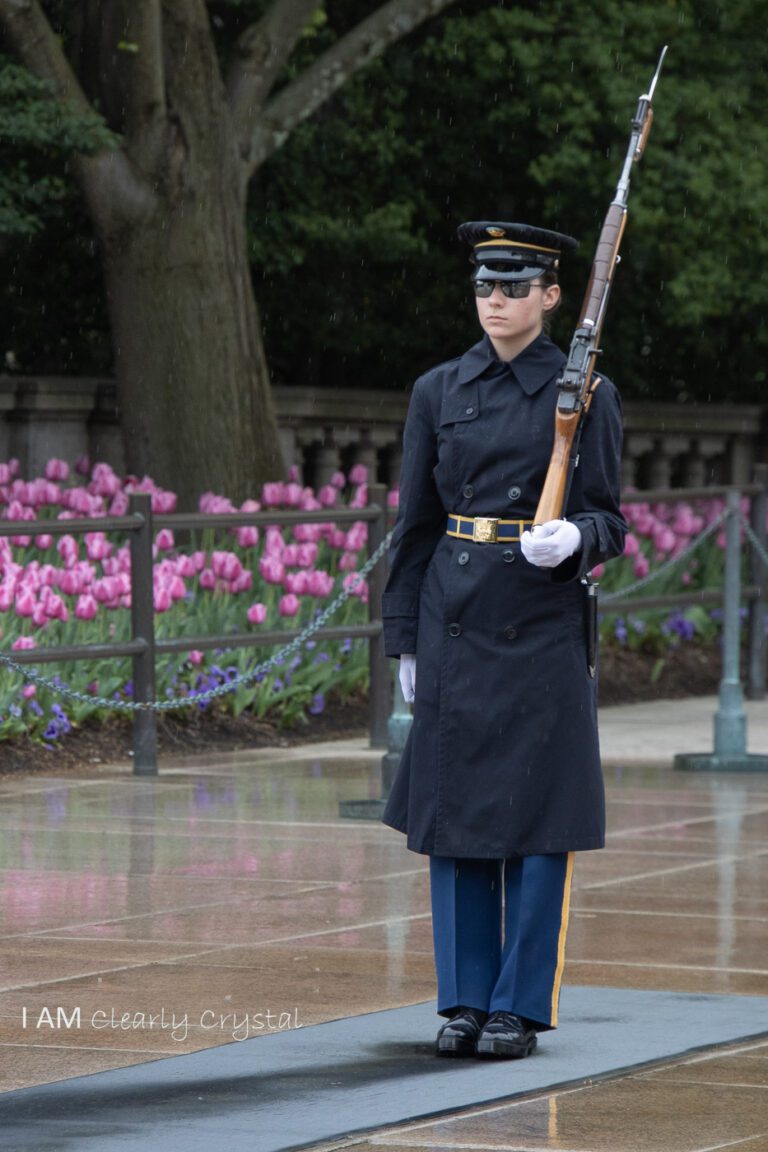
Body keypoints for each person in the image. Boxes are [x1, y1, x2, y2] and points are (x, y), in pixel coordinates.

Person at [381, 220, 627, 1060]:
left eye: (515, 286)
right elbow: (415, 525)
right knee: (454, 820)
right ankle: (463, 999)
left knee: (533, 820)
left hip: (539, 620)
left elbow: (609, 518)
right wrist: (403, 638)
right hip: (454, 614)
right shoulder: (438, 390)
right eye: (486, 285)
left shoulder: (584, 391)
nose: (496, 300)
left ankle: (518, 1005)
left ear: (553, 296)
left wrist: (575, 544)